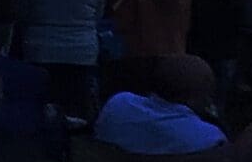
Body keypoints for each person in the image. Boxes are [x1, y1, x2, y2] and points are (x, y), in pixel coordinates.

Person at [94, 55, 226, 155]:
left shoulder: (117, 105)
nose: (209, 101)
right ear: (193, 99)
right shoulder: (209, 138)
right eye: (207, 94)